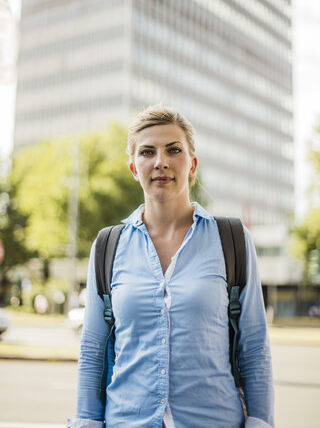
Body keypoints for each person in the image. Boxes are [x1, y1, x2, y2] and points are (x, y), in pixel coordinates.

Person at [67, 105, 274, 428]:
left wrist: (261, 421)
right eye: (147, 152)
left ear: (191, 164)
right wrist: (87, 422)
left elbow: (254, 347)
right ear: (134, 168)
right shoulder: (108, 246)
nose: (160, 161)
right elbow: (93, 349)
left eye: (173, 150)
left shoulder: (232, 239)